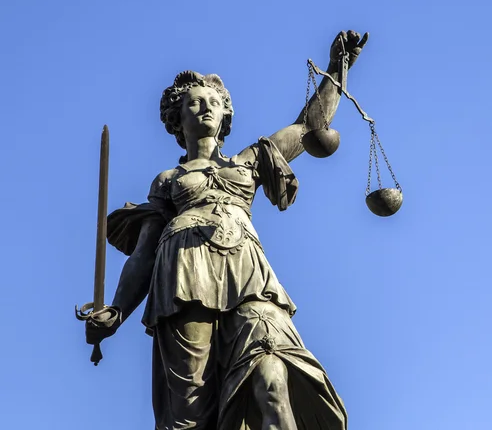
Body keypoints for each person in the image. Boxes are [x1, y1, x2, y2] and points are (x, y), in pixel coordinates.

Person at [86, 30, 368, 430]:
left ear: (225, 116)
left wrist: (338, 69)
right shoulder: (168, 179)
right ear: (176, 118)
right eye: (194, 103)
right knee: (191, 413)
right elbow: (144, 253)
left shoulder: (251, 161)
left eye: (214, 102)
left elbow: (308, 127)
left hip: (248, 275)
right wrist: (116, 310)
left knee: (274, 373)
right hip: (183, 278)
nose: (205, 108)